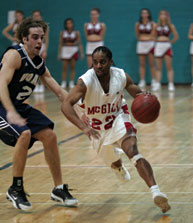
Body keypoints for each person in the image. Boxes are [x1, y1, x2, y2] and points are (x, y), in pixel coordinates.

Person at [62, 46, 171, 213]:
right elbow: (65, 105)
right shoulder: (85, 81)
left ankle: (156, 191)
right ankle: (118, 167)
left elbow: (135, 91)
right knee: (114, 163)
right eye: (95, 62)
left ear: (110, 62)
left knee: (133, 152)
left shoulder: (120, 75)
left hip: (118, 118)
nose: (98, 66)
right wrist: (83, 127)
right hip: (97, 129)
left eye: (102, 62)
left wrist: (145, 96)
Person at [0, 18, 79, 211]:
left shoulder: (38, 63)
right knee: (24, 133)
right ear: (24, 39)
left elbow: (59, 91)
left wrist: (82, 114)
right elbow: (1, 84)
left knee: (50, 135)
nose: (39, 41)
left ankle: (58, 189)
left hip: (18, 105)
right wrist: (10, 111)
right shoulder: (14, 55)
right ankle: (15, 189)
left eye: (41, 38)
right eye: (34, 37)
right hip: (2, 105)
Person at [153, 10, 178, 92]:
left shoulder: (171, 26)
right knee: (158, 67)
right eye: (161, 14)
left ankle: (171, 84)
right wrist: (157, 42)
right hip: (159, 46)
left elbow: (176, 36)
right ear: (159, 16)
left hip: (166, 46)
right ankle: (158, 84)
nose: (163, 16)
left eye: (165, 15)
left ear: (167, 16)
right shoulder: (156, 26)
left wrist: (170, 42)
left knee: (169, 67)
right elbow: (153, 36)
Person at [58, 18, 84, 89]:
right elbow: (60, 43)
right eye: (67, 23)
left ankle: (71, 82)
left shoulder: (76, 32)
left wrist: (81, 53)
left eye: (70, 23)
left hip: (73, 50)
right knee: (64, 68)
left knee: (72, 67)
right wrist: (59, 53)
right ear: (65, 25)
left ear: (73, 24)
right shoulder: (62, 33)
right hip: (65, 50)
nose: (69, 25)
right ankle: (63, 82)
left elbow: (79, 43)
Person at [135, 8, 157, 89]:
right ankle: (142, 80)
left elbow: (152, 36)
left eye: (145, 13)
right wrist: (144, 38)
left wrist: (145, 37)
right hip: (141, 44)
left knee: (152, 63)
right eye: (142, 13)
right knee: (142, 64)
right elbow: (138, 36)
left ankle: (154, 80)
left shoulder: (153, 24)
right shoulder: (138, 24)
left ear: (148, 14)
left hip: (150, 44)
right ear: (141, 15)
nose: (144, 14)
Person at [32, 10, 49, 93]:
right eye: (35, 15)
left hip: (41, 47)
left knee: (41, 67)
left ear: (40, 16)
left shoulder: (44, 26)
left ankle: (42, 85)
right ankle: (35, 85)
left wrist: (45, 50)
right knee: (33, 67)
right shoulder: (30, 27)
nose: (36, 17)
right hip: (33, 47)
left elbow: (46, 39)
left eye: (38, 15)